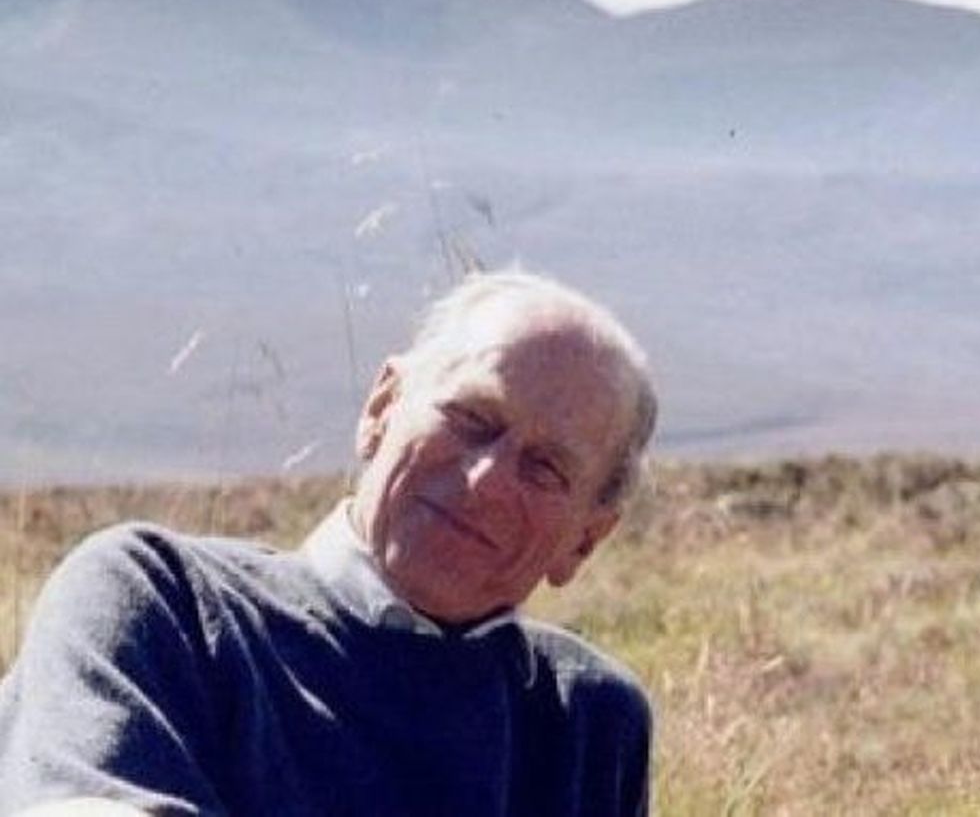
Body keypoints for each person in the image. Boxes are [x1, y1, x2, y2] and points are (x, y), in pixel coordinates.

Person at [0, 270, 660, 816]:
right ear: (382, 407)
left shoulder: (588, 719)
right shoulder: (159, 600)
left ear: (585, 541)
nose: (484, 479)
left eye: (545, 468)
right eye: (471, 419)